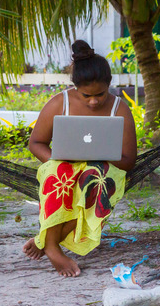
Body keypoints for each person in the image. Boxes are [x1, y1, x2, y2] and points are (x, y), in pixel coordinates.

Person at [22, 40, 138, 277]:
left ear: (109, 86)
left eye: (100, 94)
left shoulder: (119, 108)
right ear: (75, 88)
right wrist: (58, 160)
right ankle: (53, 247)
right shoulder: (59, 103)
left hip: (106, 168)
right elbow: (35, 143)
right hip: (63, 165)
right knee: (60, 173)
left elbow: (128, 161)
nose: (94, 101)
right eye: (86, 95)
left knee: (94, 178)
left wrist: (98, 157)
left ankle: (46, 240)